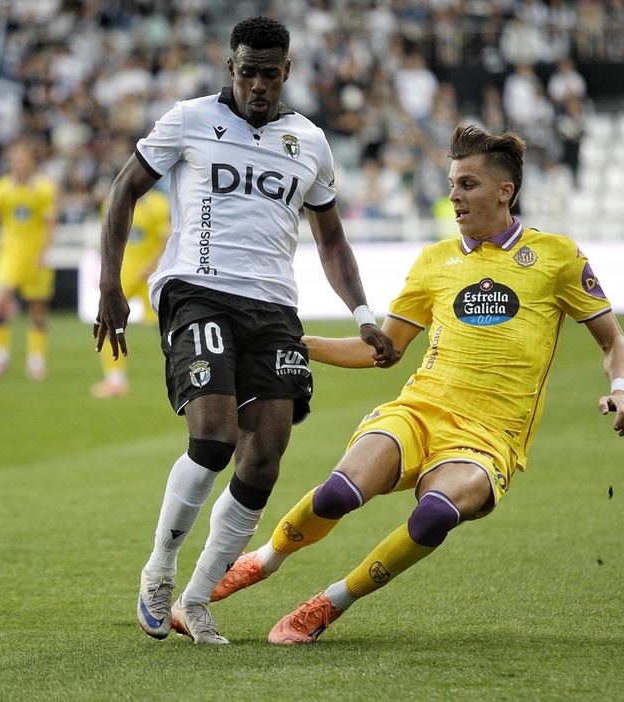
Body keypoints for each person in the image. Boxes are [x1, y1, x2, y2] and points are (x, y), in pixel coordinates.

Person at [211, 124, 624, 644]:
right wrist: (297, 342)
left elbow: (611, 339)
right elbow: (382, 352)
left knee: (434, 516)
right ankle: (262, 559)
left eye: (467, 184)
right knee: (337, 494)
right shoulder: (435, 260)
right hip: (419, 410)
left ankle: (329, 603)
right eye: (452, 183)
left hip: (490, 436)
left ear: (505, 191)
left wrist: (623, 388)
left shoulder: (556, 256)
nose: (454, 195)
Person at [93, 16, 396, 645]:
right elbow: (124, 190)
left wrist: (364, 315)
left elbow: (331, 238)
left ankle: (197, 598)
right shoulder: (189, 119)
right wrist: (110, 287)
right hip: (197, 290)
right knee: (213, 436)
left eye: (270, 72)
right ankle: (159, 571)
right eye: (247, 70)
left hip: (273, 307)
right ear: (231, 68)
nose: (258, 83)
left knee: (265, 458)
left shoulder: (309, 141)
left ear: (286, 71)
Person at [0, 140, 59, 381]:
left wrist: (44, 253)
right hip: (9, 253)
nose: (19, 163)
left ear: (31, 161)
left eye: (23, 159)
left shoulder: (44, 188)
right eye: (15, 159)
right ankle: (0, 355)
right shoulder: (1, 189)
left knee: (37, 309)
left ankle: (36, 360)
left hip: (34, 256)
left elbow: (50, 224)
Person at [91, 181, 171, 398]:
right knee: (109, 322)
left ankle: (180, 373)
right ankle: (115, 380)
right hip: (123, 273)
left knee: (166, 328)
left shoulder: (159, 204)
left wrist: (152, 265)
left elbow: (166, 239)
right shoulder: (112, 201)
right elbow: (107, 236)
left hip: (151, 275)